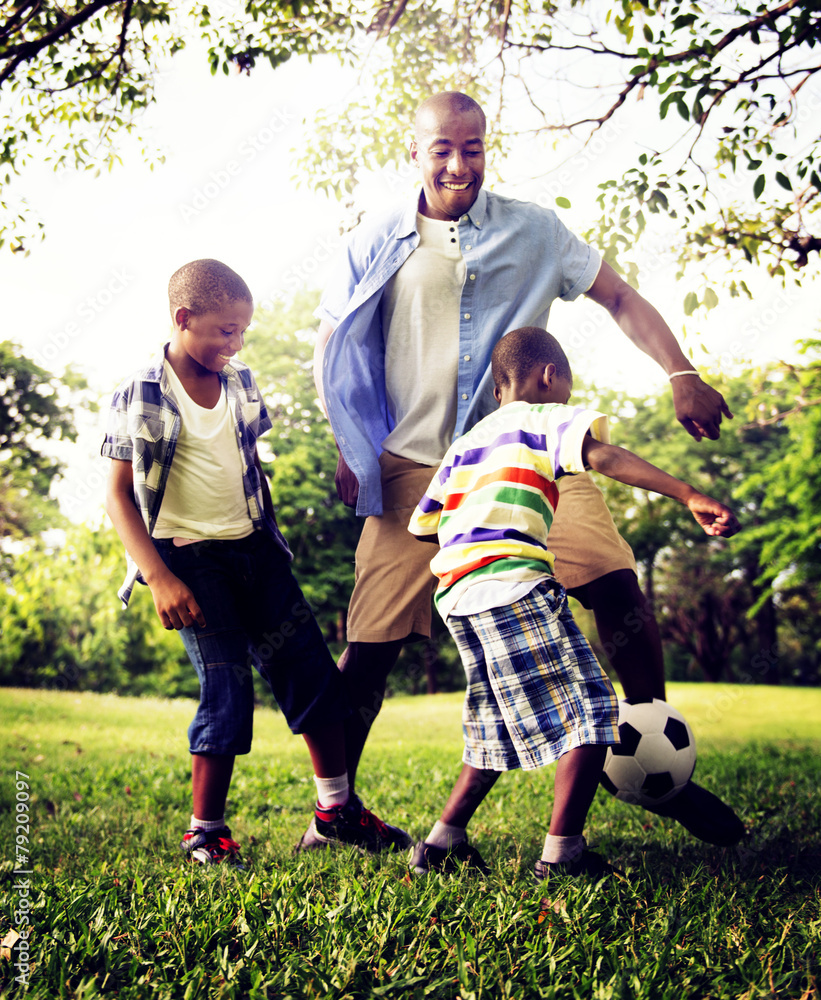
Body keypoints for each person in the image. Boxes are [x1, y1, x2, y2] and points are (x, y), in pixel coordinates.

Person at [306, 90, 744, 852]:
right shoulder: (375, 239)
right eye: (441, 148)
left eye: (471, 148)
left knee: (615, 586)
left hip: (529, 453)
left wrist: (680, 371)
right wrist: (352, 445)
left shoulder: (534, 230)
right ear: (414, 152)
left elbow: (618, 295)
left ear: (486, 148)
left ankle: (648, 753)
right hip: (417, 467)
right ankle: (335, 812)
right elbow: (334, 347)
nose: (457, 163)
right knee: (369, 646)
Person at [406, 327, 740, 879]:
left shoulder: (464, 446)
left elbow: (426, 526)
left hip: (458, 596)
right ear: (548, 377)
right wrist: (689, 494)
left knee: (494, 729)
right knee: (591, 713)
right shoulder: (544, 418)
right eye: (565, 387)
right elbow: (604, 455)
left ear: (495, 391)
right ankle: (563, 855)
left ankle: (440, 846)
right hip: (513, 584)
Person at [103, 258, 404, 865]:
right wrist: (157, 576)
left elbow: (242, 465)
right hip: (189, 564)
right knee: (227, 685)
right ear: (184, 319)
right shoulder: (141, 390)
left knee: (313, 675)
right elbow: (117, 494)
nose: (234, 344)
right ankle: (205, 833)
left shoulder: (239, 381)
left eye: (242, 332)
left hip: (255, 551)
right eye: (223, 331)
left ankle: (336, 810)